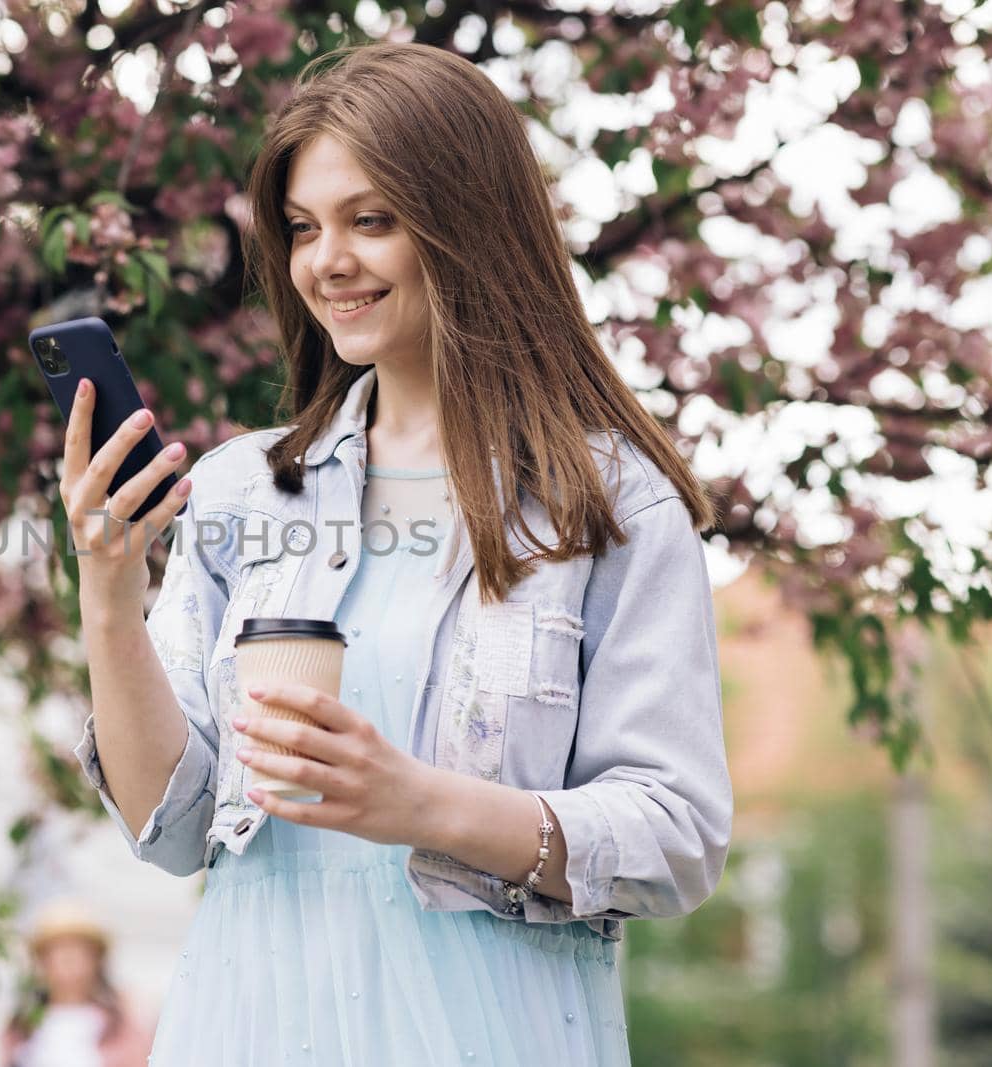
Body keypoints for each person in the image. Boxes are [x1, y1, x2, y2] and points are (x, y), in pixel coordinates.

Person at [59, 40, 733, 1065]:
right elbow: (173, 819)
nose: (326, 260)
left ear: (466, 221)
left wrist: (423, 804)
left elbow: (674, 833)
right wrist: (108, 594)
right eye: (301, 228)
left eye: (369, 220)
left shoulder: (610, 501)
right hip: (245, 1023)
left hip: (487, 1030)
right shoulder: (246, 487)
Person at [2, 899, 154, 1067]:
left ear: (97, 960)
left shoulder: (121, 1022)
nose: (69, 960)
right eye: (58, 951)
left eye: (78, 951)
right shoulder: (22, 1026)